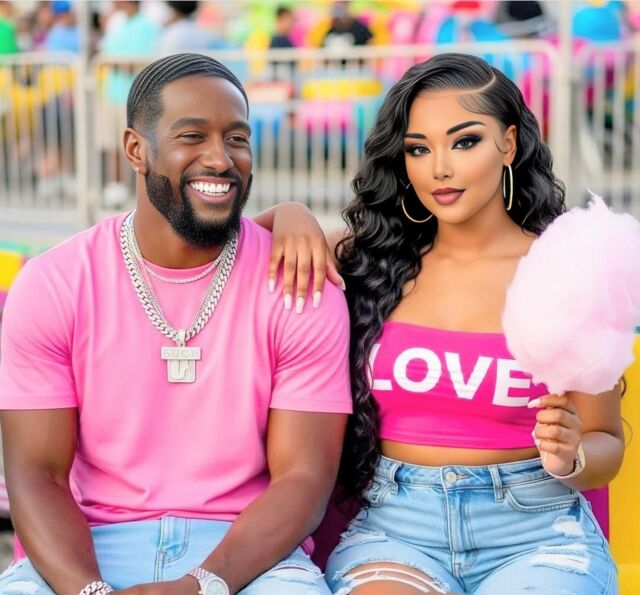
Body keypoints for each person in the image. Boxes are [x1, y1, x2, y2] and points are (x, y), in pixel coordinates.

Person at [270, 53, 623, 594]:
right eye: (419, 148)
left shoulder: (567, 266)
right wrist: (289, 213)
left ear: (508, 144)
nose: (439, 168)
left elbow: (606, 442)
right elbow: (240, 249)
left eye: (465, 142)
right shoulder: (368, 259)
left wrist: (573, 453)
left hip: (536, 531)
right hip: (396, 530)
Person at [0, 53, 351, 595]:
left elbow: (304, 477)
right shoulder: (54, 283)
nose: (221, 158)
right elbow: (37, 473)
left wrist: (204, 584)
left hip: (248, 552)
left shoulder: (298, 284)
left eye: (237, 138)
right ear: (135, 150)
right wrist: (89, 591)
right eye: (192, 136)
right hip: (90, 544)